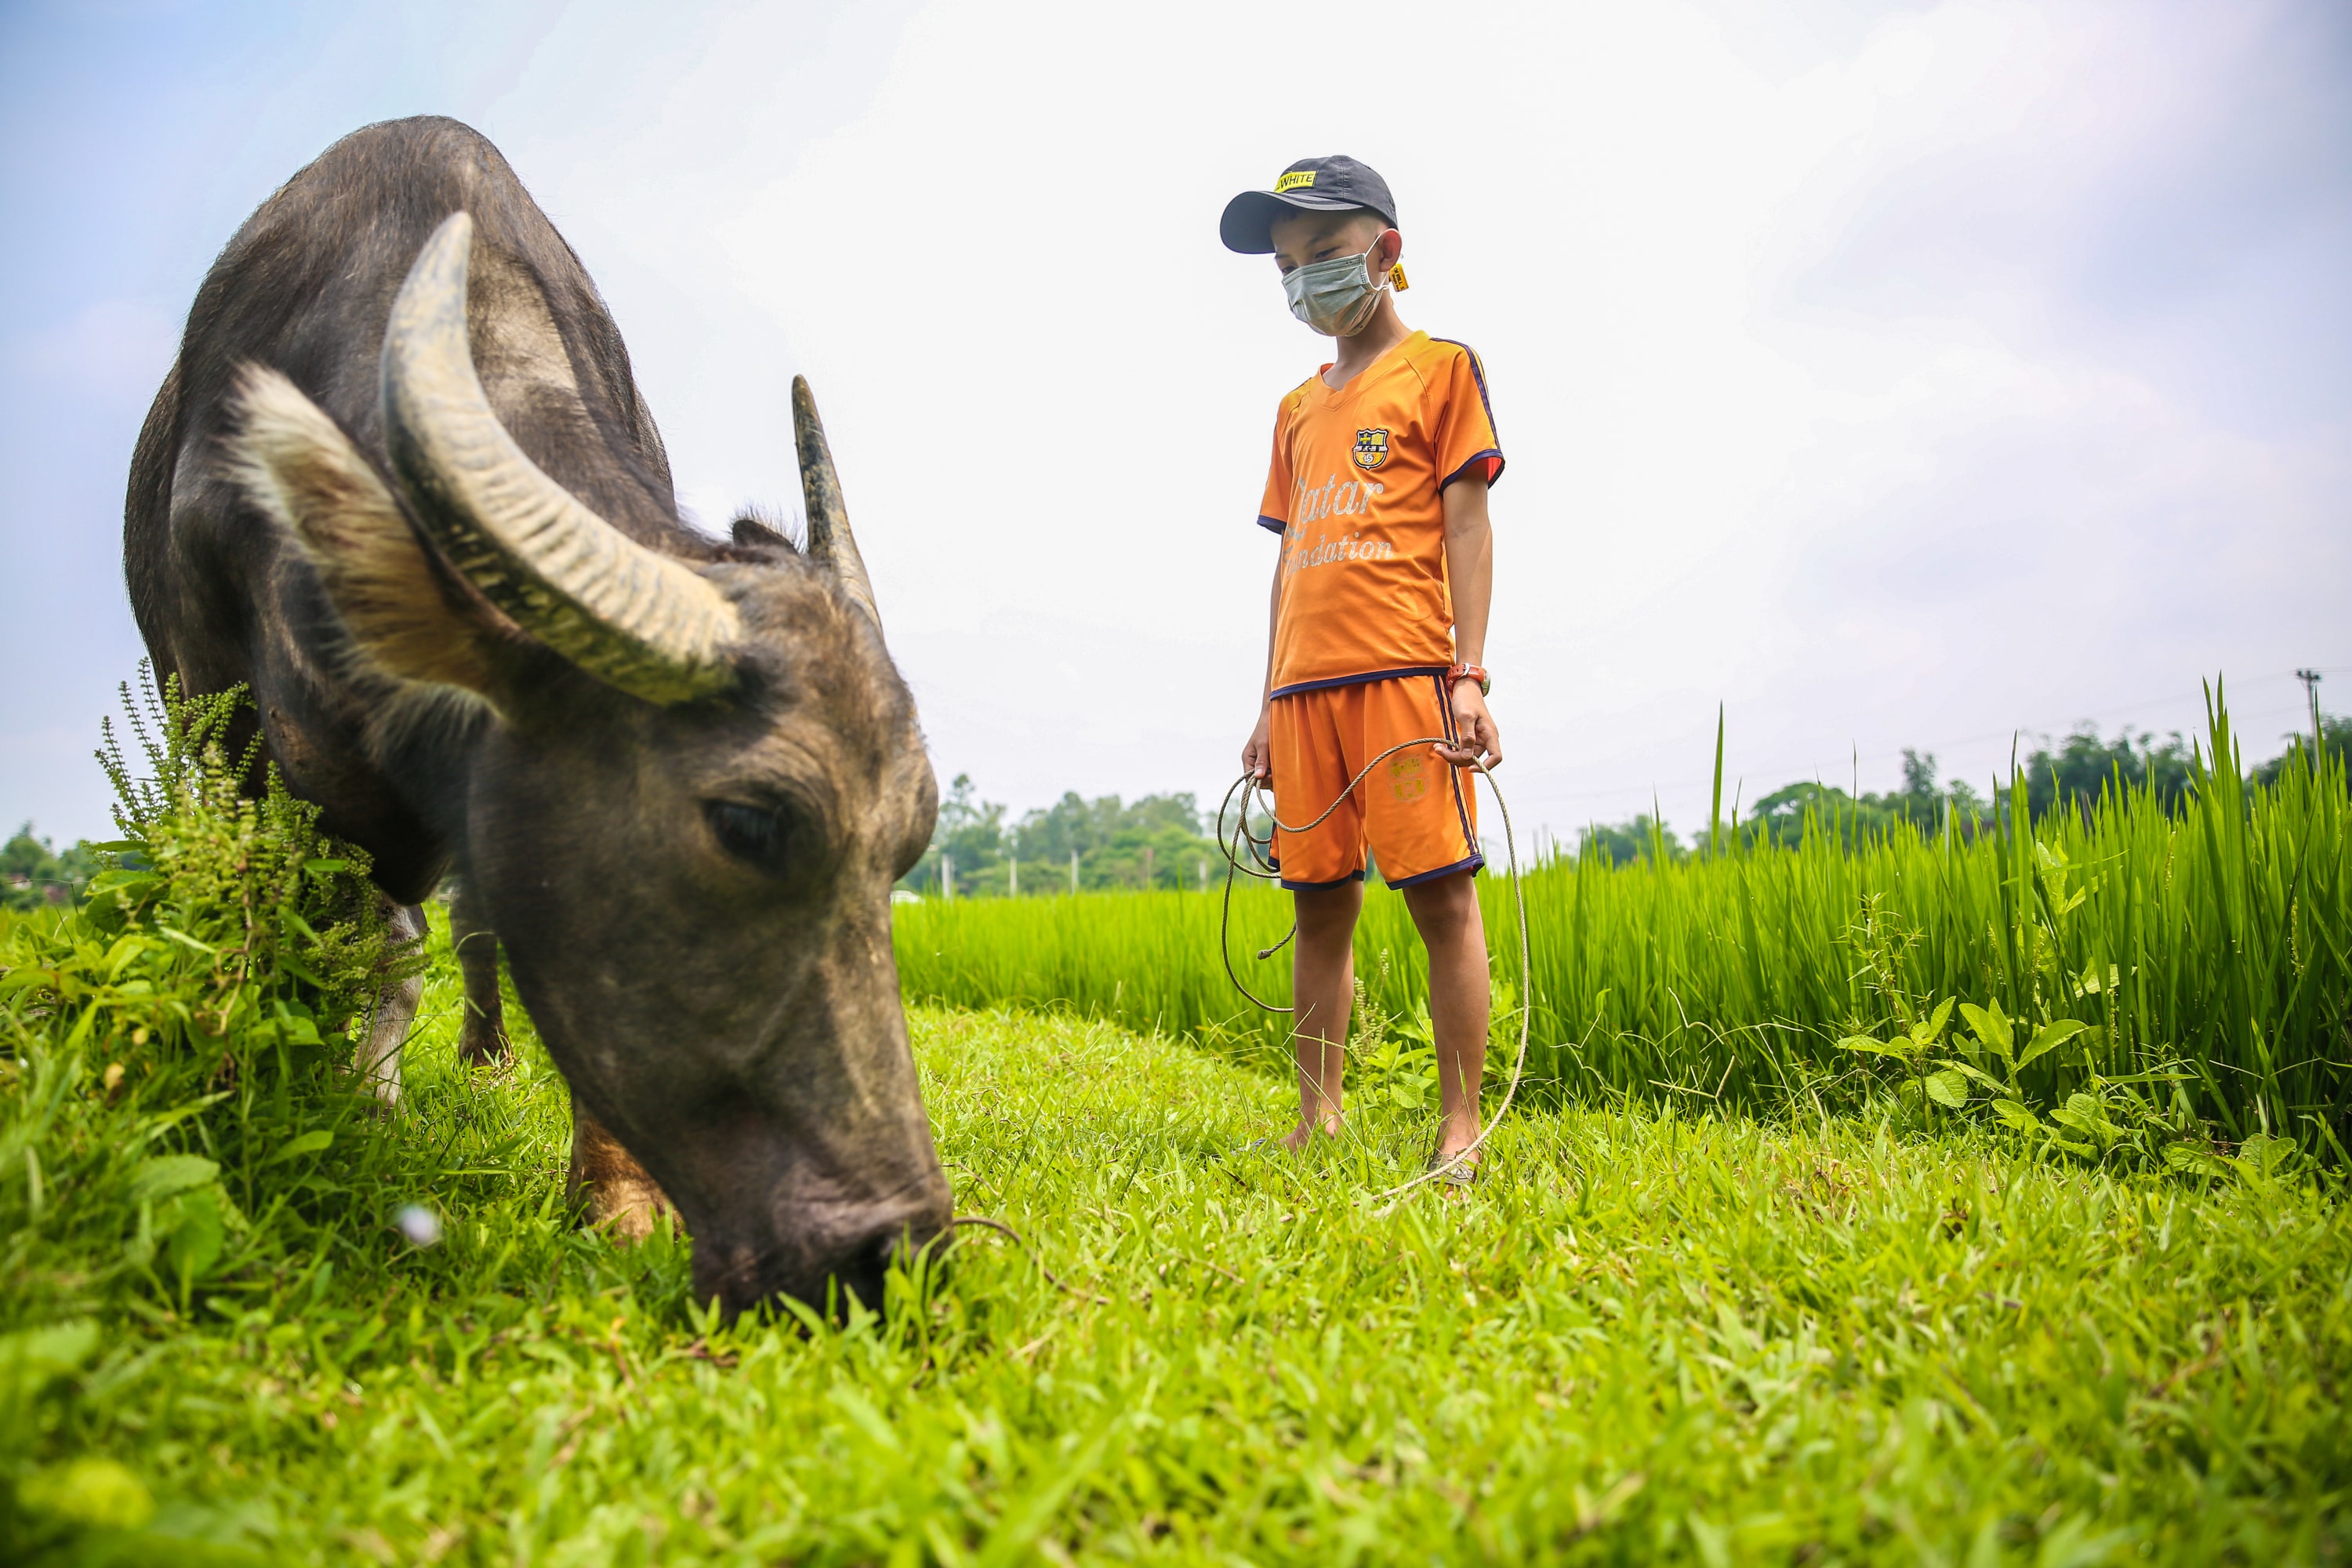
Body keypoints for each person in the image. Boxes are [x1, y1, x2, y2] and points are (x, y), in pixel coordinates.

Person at [1221, 155, 1504, 1183]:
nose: (1305, 283)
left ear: (1386, 252)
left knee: (1441, 899)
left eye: (1325, 256)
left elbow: (1468, 528)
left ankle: (1461, 1125)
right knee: (1317, 904)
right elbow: (1290, 561)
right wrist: (1265, 703)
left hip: (1403, 677)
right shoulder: (1297, 408)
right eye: (1288, 268)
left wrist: (1467, 674)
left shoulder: (1441, 371)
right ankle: (1318, 1115)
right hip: (1304, 696)